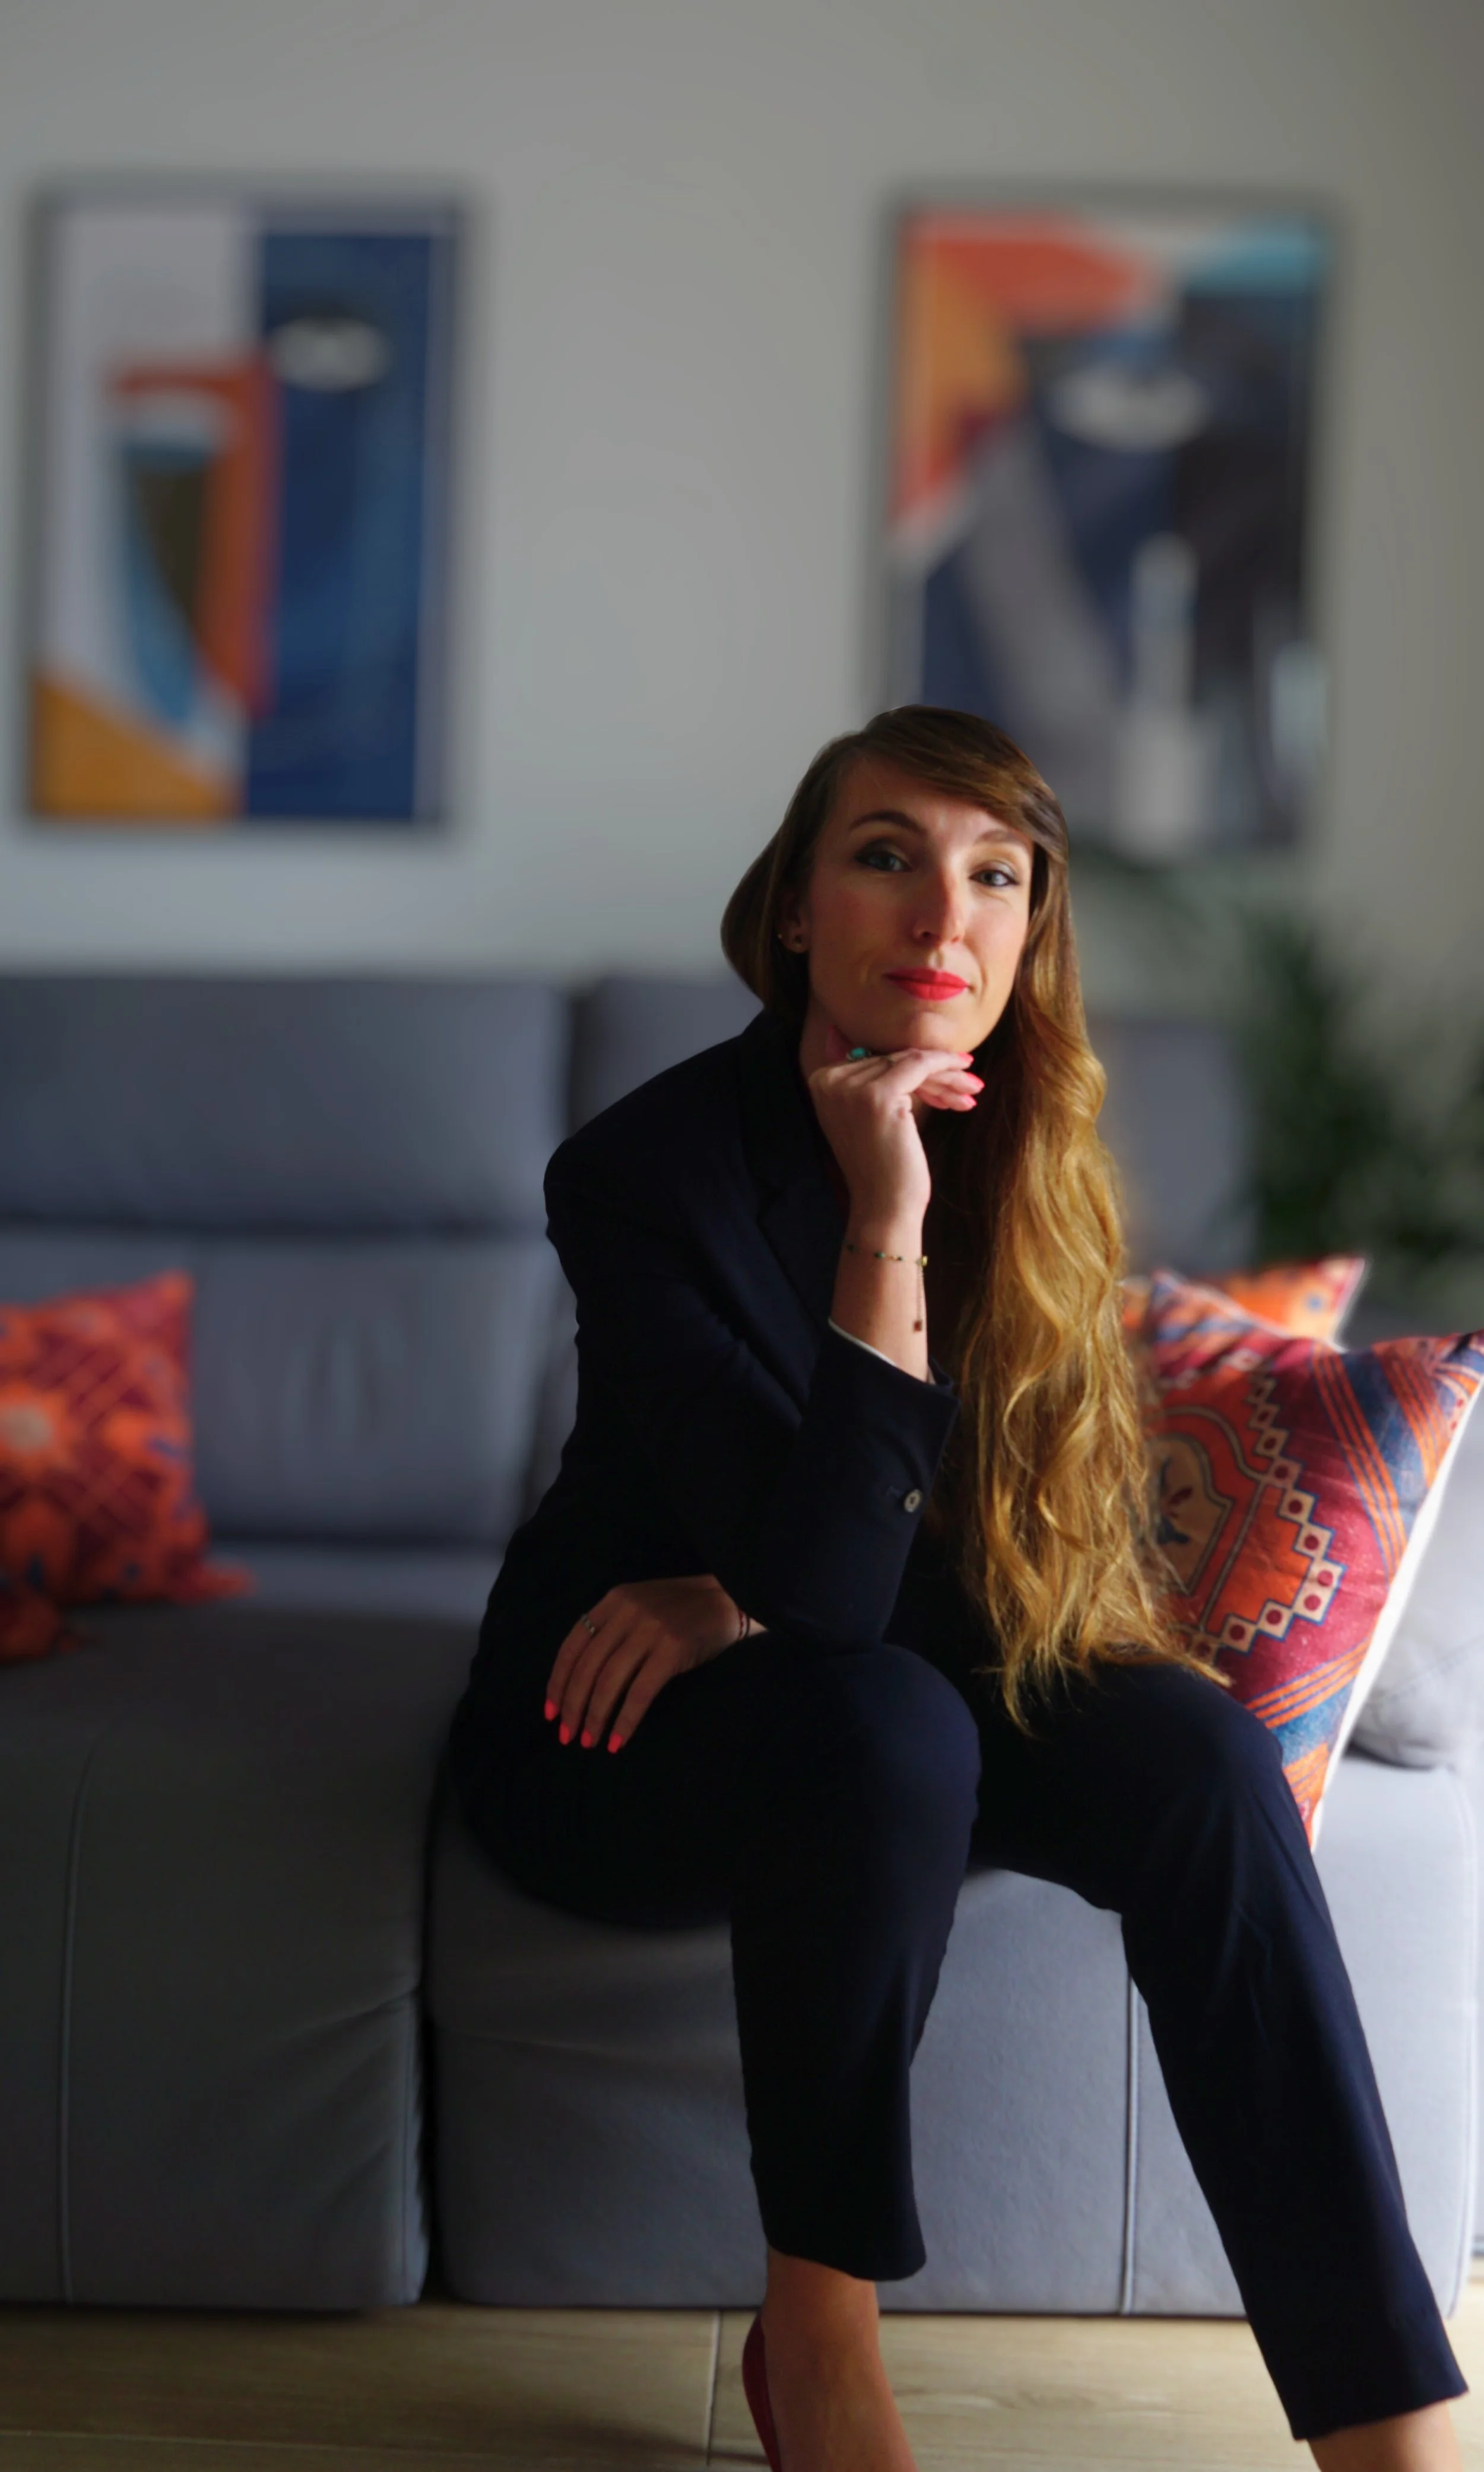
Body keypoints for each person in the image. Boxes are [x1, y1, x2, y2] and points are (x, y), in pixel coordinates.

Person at [446, 705, 1466, 2472]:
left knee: (1200, 1764)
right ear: (793, 914)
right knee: (885, 1715)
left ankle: (1387, 2421)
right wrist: (881, 1214)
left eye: (995, 873)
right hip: (609, 1721)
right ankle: (817, 2336)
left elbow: (1011, 1560)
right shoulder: (642, 1173)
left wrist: (748, 1586)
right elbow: (847, 1604)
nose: (943, 914)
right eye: (885, 855)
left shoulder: (1039, 1144)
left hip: (853, 1658)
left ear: (1029, 926)